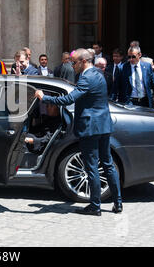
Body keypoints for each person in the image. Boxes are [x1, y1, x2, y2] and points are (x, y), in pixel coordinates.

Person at [35, 48, 122, 216]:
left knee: (92, 167)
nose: (71, 65)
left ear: (83, 61)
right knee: (107, 163)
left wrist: (44, 98)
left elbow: (68, 99)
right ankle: (118, 202)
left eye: (74, 62)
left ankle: (95, 206)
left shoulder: (87, 77)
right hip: (103, 125)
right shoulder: (98, 73)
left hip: (90, 127)